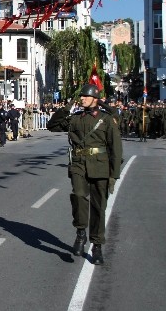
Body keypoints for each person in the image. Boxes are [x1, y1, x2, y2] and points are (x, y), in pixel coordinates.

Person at [47, 84, 123, 265]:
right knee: (79, 196)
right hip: (79, 164)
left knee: (99, 207)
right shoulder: (75, 118)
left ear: (94, 99)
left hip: (101, 167)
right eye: (80, 96)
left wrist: (114, 175)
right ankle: (81, 232)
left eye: (85, 96)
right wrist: (67, 107)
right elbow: (52, 126)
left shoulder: (106, 120)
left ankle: (97, 245)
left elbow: (116, 149)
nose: (81, 99)